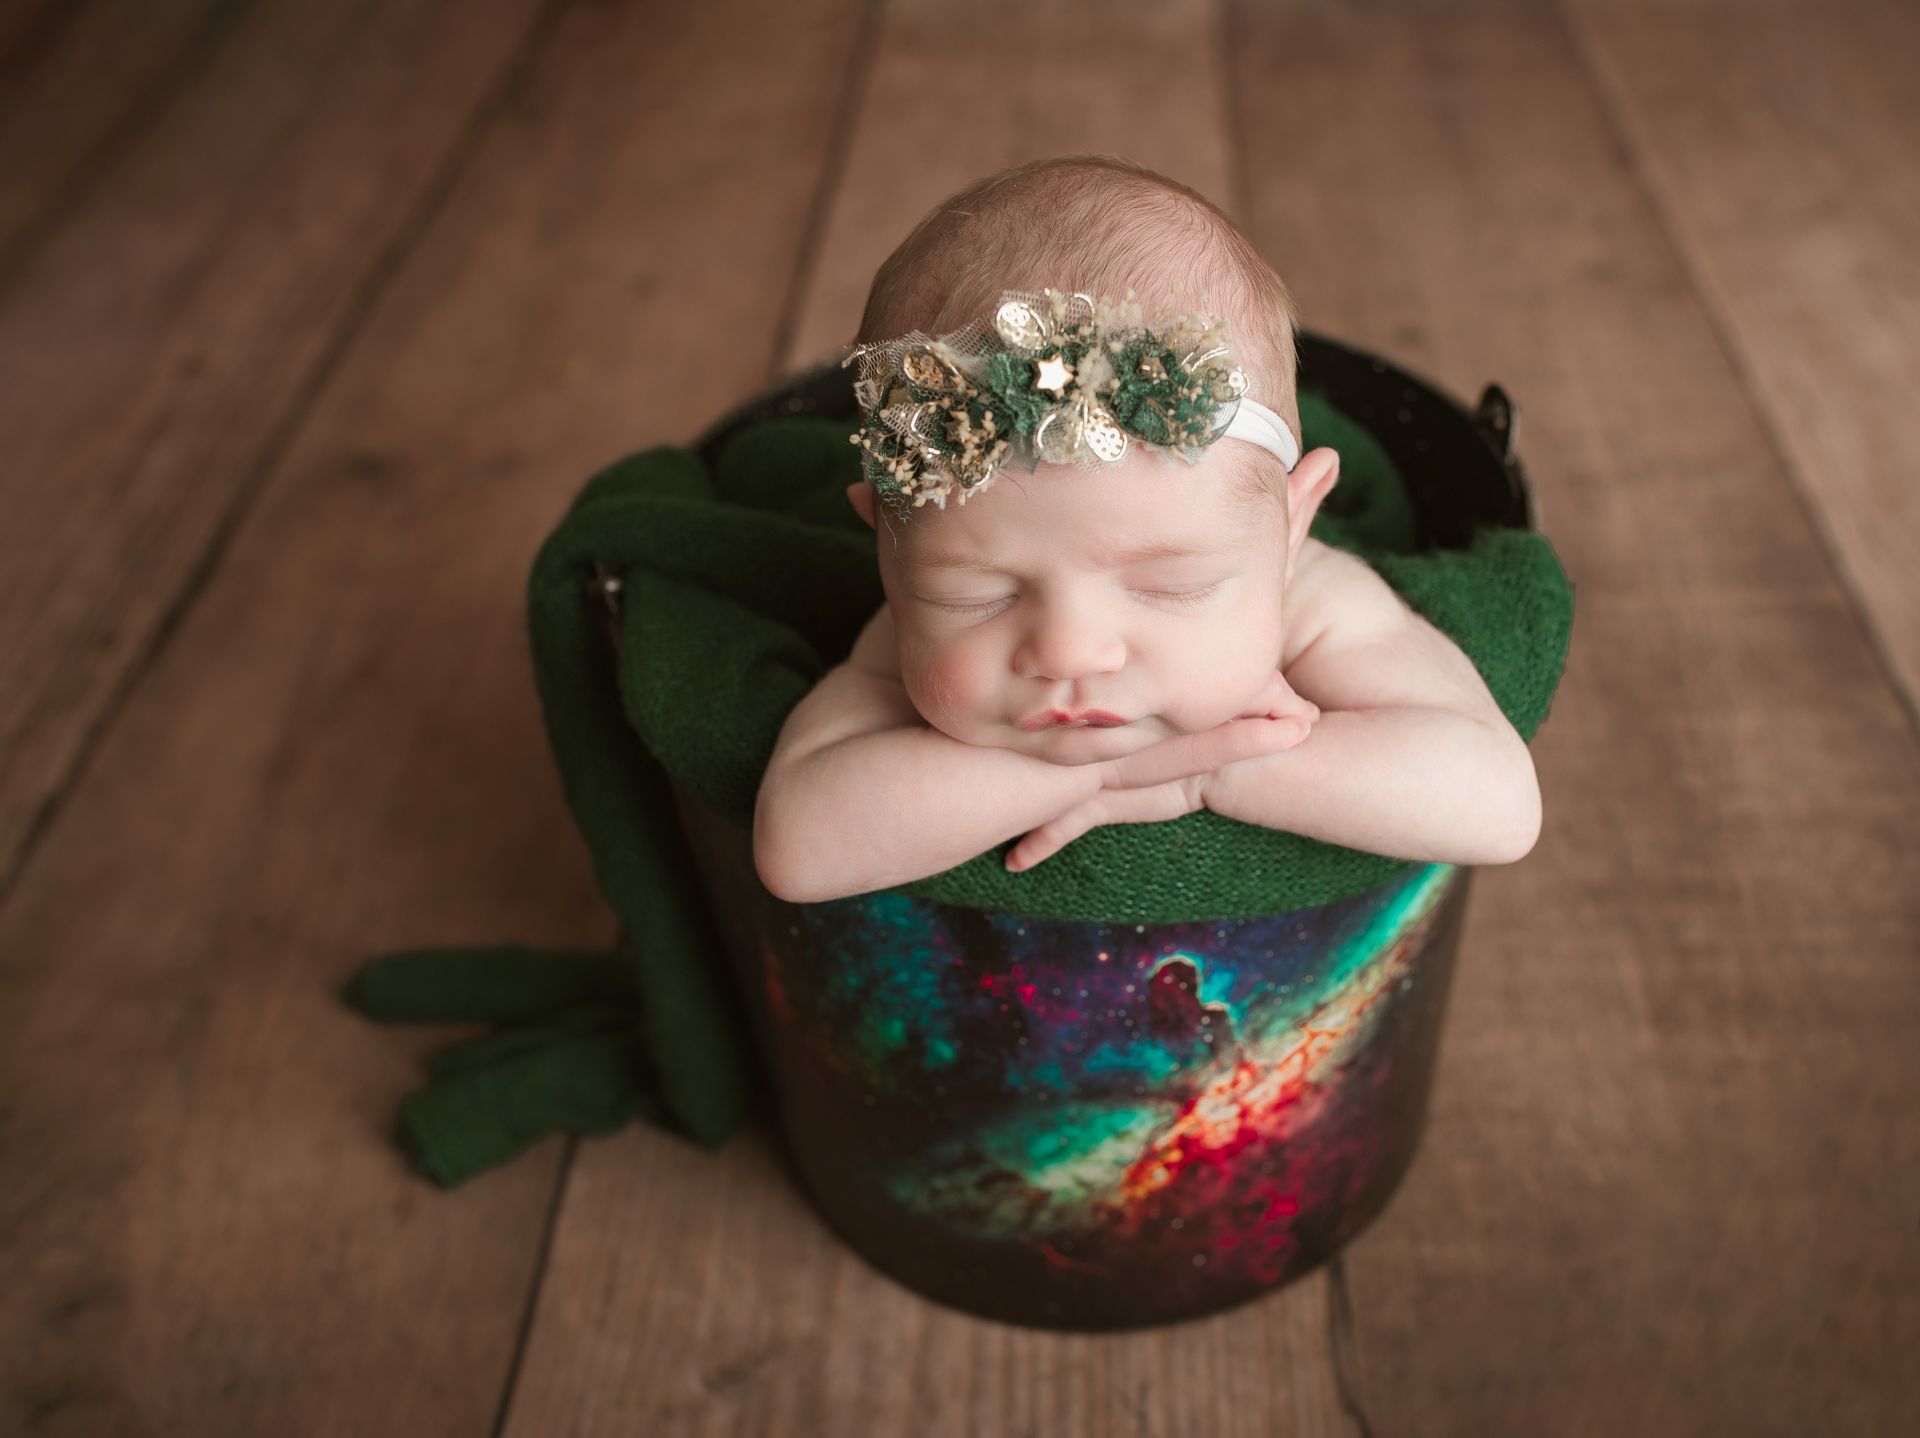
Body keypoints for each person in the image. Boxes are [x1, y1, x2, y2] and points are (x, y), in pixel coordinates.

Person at [753, 155, 1540, 905]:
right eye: (978, 595)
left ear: (1292, 527)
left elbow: (1497, 803)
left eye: (1173, 586)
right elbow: (799, 847)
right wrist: (1112, 773)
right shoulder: (905, 634)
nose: (1070, 651)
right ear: (886, 548)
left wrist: (1208, 777)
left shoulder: (1316, 601)